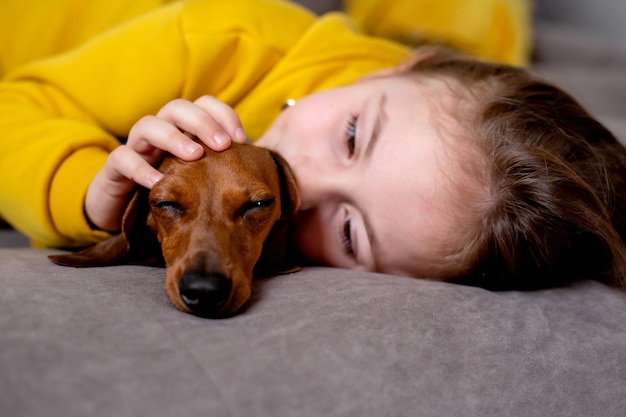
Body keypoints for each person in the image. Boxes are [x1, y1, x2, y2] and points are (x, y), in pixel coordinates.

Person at [2, 0, 624, 291]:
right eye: (353, 136)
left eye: (350, 232)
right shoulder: (226, 32)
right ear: (396, 72)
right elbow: (14, 103)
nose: (302, 180)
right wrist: (82, 189)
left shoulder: (429, 143)